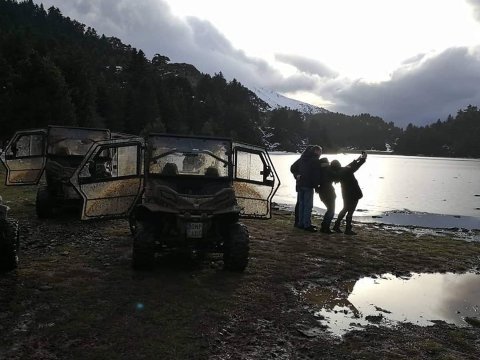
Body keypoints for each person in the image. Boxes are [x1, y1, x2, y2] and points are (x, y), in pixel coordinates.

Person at [331, 151, 367, 235]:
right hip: (353, 193)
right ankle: (347, 229)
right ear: (339, 165)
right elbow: (354, 167)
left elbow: (349, 166)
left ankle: (336, 225)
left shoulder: (337, 173)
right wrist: (363, 159)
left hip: (345, 193)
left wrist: (357, 159)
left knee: (345, 209)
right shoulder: (345, 170)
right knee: (350, 211)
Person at [290, 145, 322, 232]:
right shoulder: (315, 160)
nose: (320, 153)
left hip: (300, 185)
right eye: (320, 151)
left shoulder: (302, 158)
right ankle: (307, 225)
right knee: (308, 206)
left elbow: (292, 168)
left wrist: (297, 175)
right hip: (308, 185)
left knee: (301, 205)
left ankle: (300, 223)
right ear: (316, 151)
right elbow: (316, 175)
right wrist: (317, 186)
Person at [316, 157, 337, 234]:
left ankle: (324, 226)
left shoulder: (318, 171)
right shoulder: (328, 170)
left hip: (322, 193)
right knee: (331, 210)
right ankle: (325, 227)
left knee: (329, 209)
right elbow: (336, 177)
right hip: (329, 193)